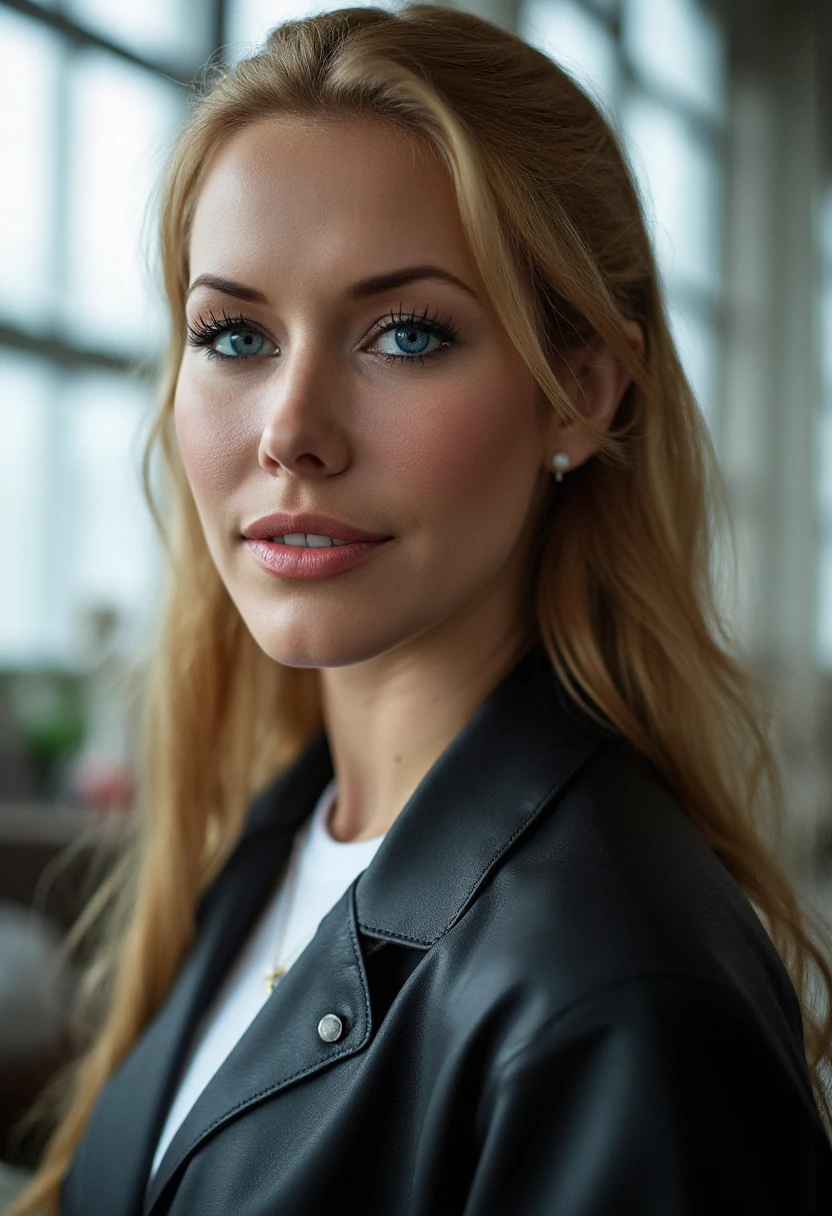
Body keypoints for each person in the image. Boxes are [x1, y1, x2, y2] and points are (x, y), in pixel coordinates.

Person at [9, 5, 832, 1213]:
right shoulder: (287, 832)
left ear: (582, 394)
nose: (291, 430)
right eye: (234, 333)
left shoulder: (615, 998)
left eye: (404, 334)